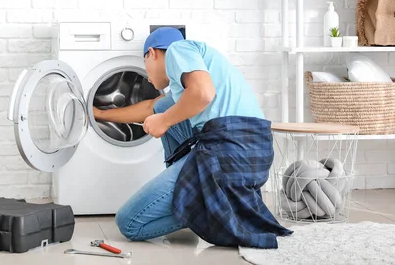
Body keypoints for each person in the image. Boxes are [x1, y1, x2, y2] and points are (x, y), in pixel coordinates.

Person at [93, 27, 291, 248]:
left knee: (128, 223)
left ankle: (201, 205)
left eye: (145, 65)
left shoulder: (179, 49)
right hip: (253, 152)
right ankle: (205, 200)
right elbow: (150, 108)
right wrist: (100, 114)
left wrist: (165, 121)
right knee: (162, 111)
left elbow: (203, 94)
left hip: (231, 150)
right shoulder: (189, 82)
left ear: (152, 53)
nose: (147, 79)